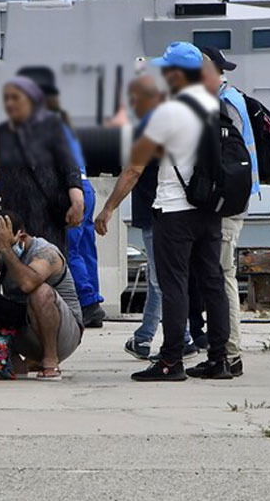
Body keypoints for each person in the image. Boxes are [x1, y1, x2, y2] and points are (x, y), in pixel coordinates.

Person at [122, 42, 232, 382]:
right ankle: (219, 359)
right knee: (213, 283)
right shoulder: (214, 105)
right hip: (209, 210)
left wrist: (109, 207)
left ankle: (170, 362)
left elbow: (134, 168)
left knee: (174, 287)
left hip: (174, 210)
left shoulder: (168, 111)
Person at [97, 76, 199, 361]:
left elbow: (133, 171)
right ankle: (144, 338)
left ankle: (184, 338)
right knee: (164, 278)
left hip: (157, 212)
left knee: (162, 280)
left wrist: (108, 209)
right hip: (180, 211)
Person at [196, 47, 257, 375]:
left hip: (227, 204)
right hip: (237, 199)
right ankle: (227, 349)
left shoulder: (224, 103)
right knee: (221, 275)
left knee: (222, 276)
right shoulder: (233, 99)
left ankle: (230, 352)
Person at [35, 80, 107, 328]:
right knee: (86, 247)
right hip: (85, 188)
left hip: (71, 190)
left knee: (70, 249)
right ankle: (93, 298)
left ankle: (87, 303)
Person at [0, 78, 84, 252]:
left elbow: (69, 167)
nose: (10, 103)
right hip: (14, 213)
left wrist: (77, 200)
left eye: (16, 98)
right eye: (6, 98)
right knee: (14, 266)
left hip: (48, 214)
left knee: (48, 264)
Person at [0, 210, 84, 380]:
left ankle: (50, 361)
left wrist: (7, 250)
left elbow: (28, 284)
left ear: (21, 236)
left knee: (40, 292)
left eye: (2, 243)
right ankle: (13, 360)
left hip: (64, 336)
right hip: (24, 330)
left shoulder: (46, 252)